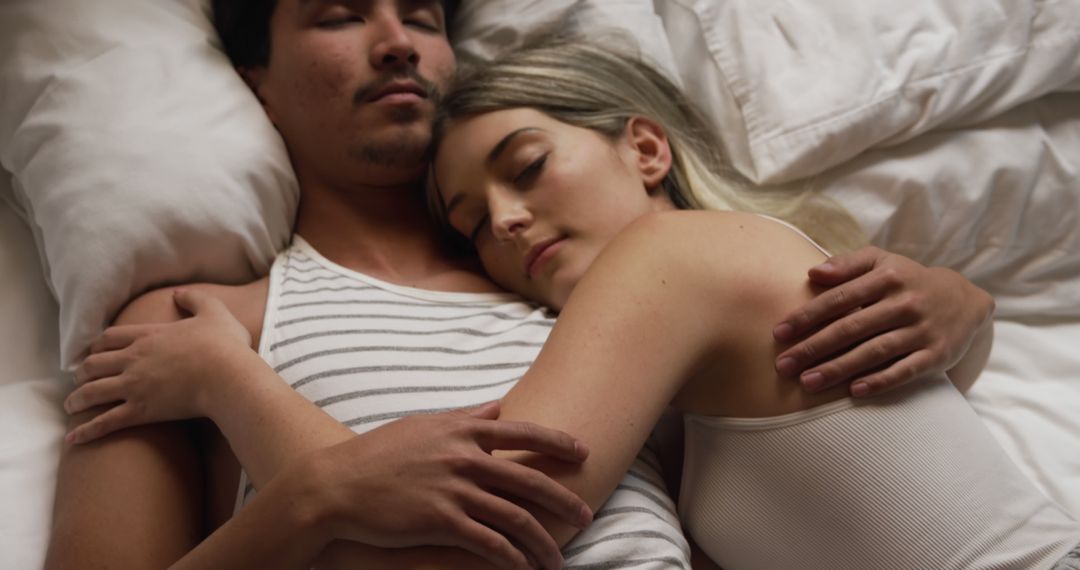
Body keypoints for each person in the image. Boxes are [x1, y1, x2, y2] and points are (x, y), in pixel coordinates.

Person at [46, 3, 998, 569]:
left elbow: (796, 483)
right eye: (339, 14)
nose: (394, 41)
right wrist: (309, 502)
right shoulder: (195, 329)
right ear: (255, 80)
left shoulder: (585, 290)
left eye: (421, 17)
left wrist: (961, 314)